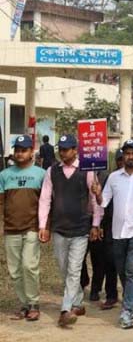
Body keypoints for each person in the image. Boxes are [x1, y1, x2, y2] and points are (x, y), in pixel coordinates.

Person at [38, 134, 103, 328]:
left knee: (74, 269)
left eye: (67, 149)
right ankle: (78, 301)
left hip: (81, 229)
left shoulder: (87, 171)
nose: (63, 152)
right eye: (61, 149)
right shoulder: (52, 171)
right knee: (64, 268)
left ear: (75, 150)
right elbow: (45, 199)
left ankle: (65, 310)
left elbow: (95, 200)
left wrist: (95, 224)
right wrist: (43, 225)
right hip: (59, 228)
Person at [92, 140, 133, 329]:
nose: (130, 156)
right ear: (123, 156)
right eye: (127, 153)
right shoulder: (114, 177)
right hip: (118, 232)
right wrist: (97, 194)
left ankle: (127, 310)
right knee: (122, 272)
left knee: (132, 271)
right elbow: (103, 202)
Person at [0, 135, 45, 322]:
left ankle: (34, 303)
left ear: (31, 152)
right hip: (11, 228)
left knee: (29, 266)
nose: (20, 153)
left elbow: (46, 203)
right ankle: (24, 304)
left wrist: (45, 226)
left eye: (24, 150)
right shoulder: (4, 175)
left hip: (32, 228)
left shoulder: (41, 174)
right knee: (14, 270)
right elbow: (1, 202)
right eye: (17, 150)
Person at [87, 150, 123, 310]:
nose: (122, 162)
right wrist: (99, 224)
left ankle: (113, 294)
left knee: (113, 262)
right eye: (120, 159)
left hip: (121, 226)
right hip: (104, 223)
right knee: (98, 259)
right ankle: (96, 289)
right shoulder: (110, 178)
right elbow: (102, 203)